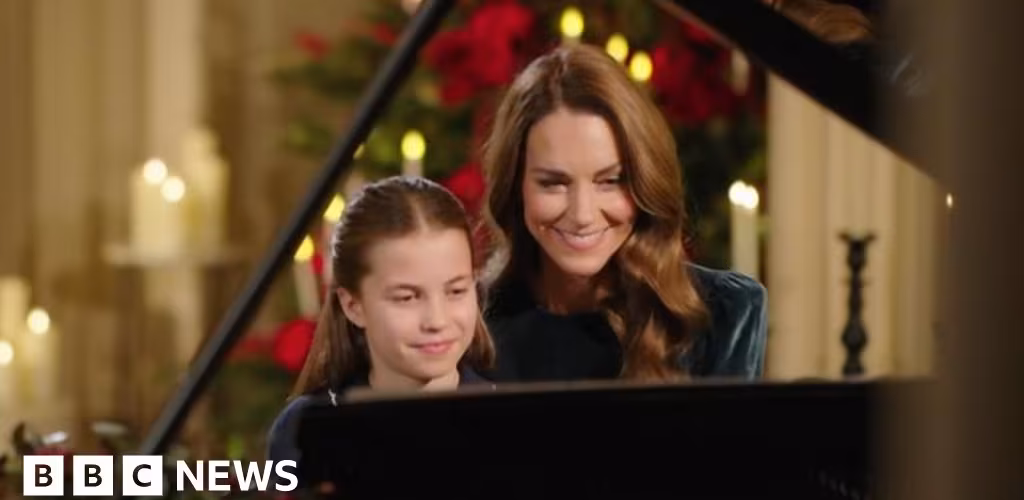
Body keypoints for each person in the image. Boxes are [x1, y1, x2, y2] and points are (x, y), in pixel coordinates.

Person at [480, 43, 767, 383]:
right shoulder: (468, 321)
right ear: (515, 186)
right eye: (553, 183)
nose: (583, 214)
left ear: (645, 182)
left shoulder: (722, 314)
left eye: (610, 181)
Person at [266, 176, 495, 468]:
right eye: (407, 297)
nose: (437, 320)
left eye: (456, 291)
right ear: (353, 306)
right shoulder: (306, 427)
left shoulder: (517, 418)